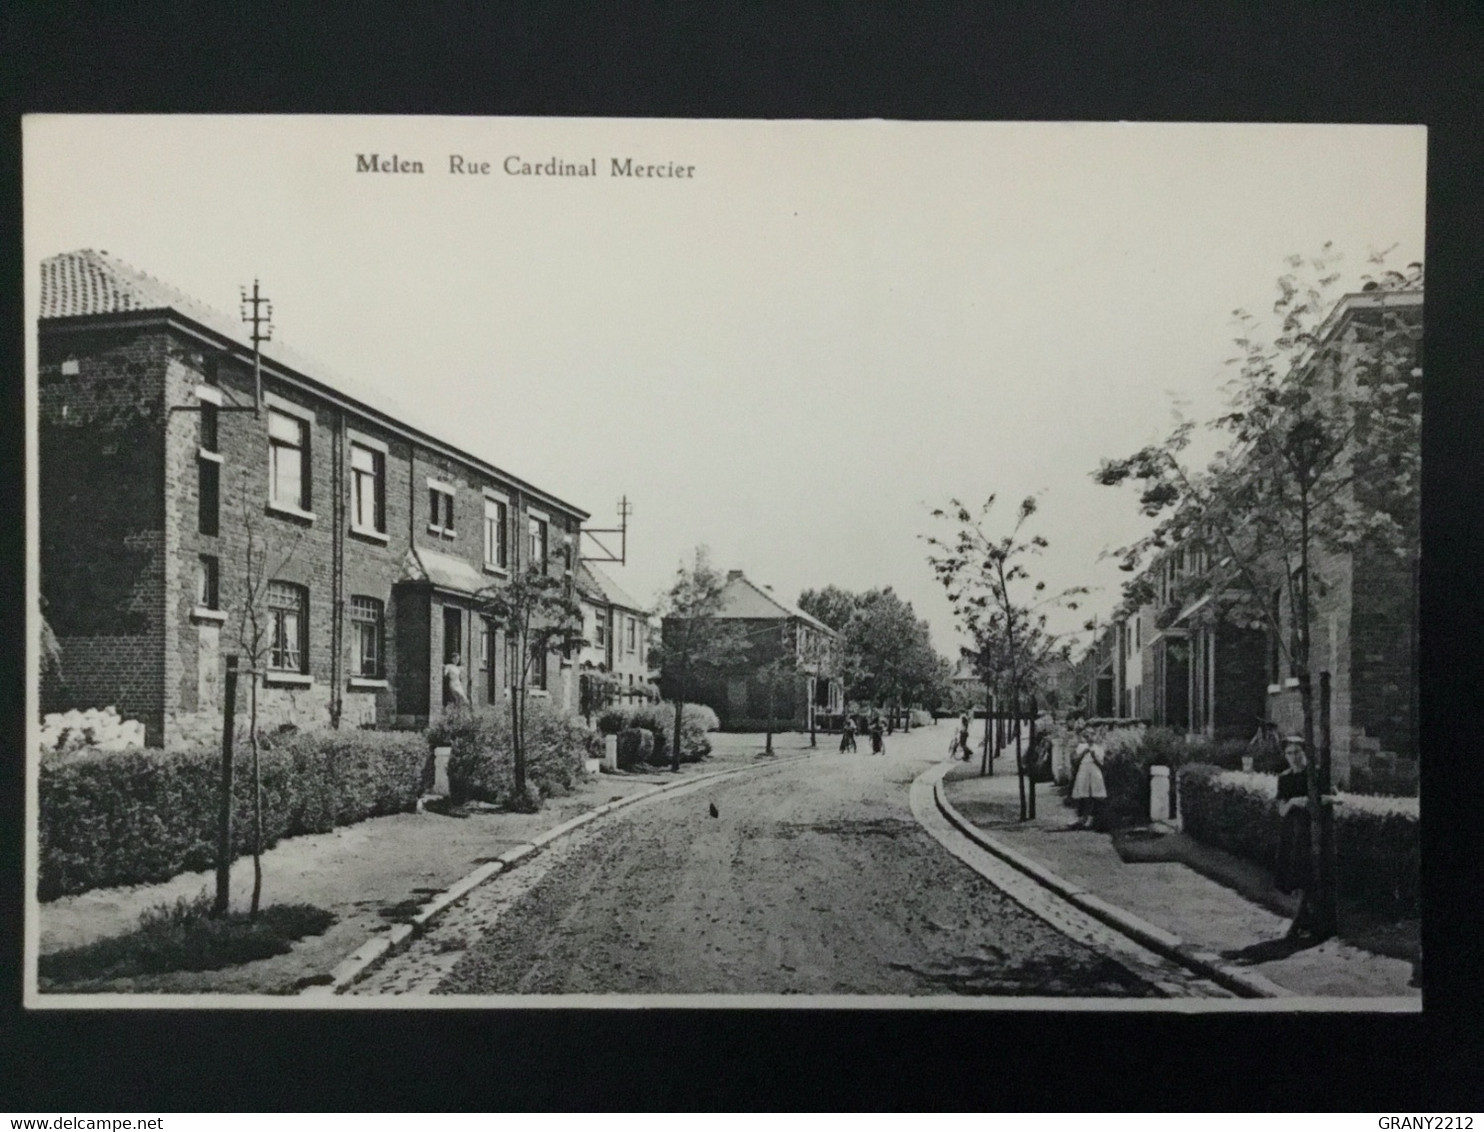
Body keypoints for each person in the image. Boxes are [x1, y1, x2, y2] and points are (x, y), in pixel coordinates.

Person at [1275, 735, 1316, 938]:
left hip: (1311, 829)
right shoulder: (1284, 778)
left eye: (1297, 752)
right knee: (1292, 872)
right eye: (1289, 753)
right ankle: (1300, 918)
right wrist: (1293, 802)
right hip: (1292, 829)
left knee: (1306, 872)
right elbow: (1281, 810)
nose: (1293, 757)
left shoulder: (1314, 775)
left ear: (1304, 753)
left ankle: (1299, 921)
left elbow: (1335, 797)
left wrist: (1310, 801)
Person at [1069, 732, 1107, 829]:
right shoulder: (1082, 747)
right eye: (1088, 735)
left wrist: (1094, 757)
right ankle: (1081, 818)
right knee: (1082, 794)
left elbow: (1102, 765)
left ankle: (1091, 819)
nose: (1090, 738)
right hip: (1083, 770)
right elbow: (1075, 761)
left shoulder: (1099, 748)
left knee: (1094, 795)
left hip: (1094, 770)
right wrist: (1083, 753)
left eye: (1092, 735)